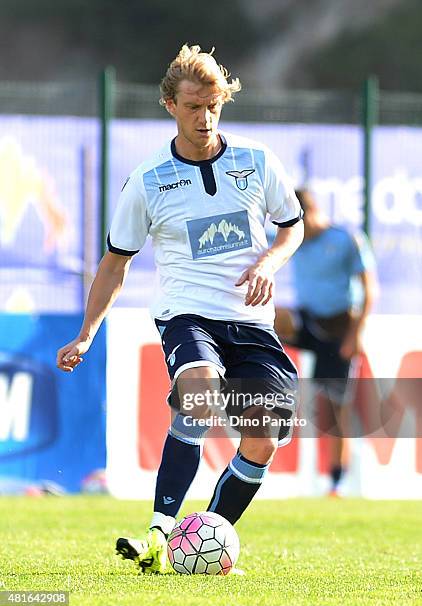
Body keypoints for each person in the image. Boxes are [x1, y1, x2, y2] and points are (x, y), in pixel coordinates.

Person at [57, 44, 304, 574]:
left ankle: (202, 542)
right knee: (198, 396)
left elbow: (293, 225)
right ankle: (157, 533)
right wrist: (86, 333)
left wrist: (269, 263)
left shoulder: (257, 161)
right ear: (170, 104)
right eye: (193, 106)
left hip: (251, 321)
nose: (205, 117)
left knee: (262, 439)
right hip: (187, 314)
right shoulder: (148, 180)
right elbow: (114, 263)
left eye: (213, 104)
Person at [274, 188, 376, 496]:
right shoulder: (291, 239)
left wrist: (355, 334)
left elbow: (369, 289)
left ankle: (337, 481)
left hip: (338, 329)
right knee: (271, 316)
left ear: (311, 213)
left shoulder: (345, 240)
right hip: (308, 321)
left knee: (335, 409)